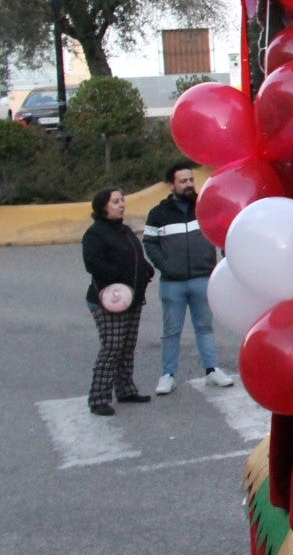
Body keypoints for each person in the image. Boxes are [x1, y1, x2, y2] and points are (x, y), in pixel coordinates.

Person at [143, 162, 232, 395]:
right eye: (183, 181)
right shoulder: (158, 214)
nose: (189, 185)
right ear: (172, 185)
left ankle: (212, 369)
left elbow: (220, 231)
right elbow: (149, 243)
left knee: (205, 327)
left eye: (191, 180)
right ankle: (167, 375)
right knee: (171, 330)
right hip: (172, 283)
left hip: (202, 278)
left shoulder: (204, 207)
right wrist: (166, 265)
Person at [81, 187, 154, 416]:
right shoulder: (95, 234)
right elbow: (93, 264)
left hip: (132, 298)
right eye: (115, 201)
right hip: (108, 300)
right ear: (103, 207)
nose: (121, 204)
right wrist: (122, 277)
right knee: (112, 347)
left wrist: (145, 270)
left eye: (122, 200)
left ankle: (125, 389)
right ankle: (98, 397)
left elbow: (134, 257)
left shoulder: (124, 231)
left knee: (126, 346)